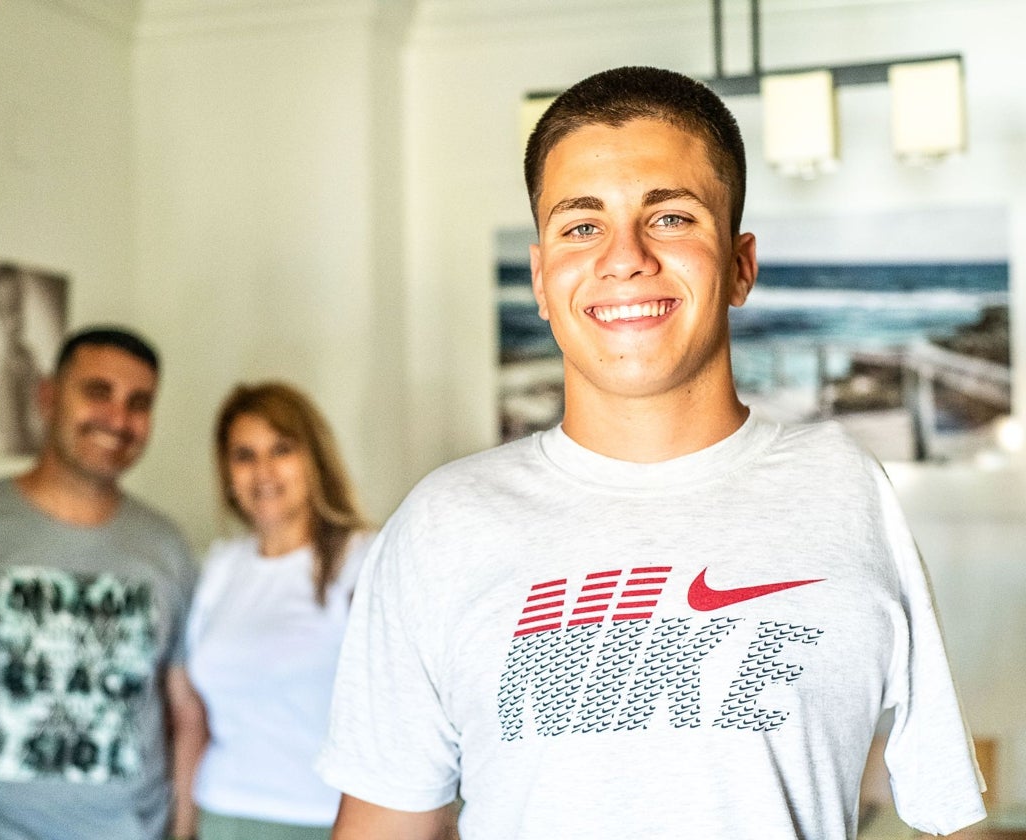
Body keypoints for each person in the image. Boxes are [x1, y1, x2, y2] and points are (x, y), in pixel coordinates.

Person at [317, 66, 987, 839]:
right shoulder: (442, 523)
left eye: (670, 218)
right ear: (541, 279)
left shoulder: (844, 490)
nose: (625, 256)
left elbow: (947, 813)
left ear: (740, 265)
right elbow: (386, 824)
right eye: (581, 225)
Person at [0, 326, 202, 840]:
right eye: (97, 391)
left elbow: (184, 710)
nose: (118, 418)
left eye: (139, 402)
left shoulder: (168, 546)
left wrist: (184, 829)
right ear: (47, 396)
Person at [184, 382, 373, 840]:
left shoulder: (363, 561)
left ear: (314, 460)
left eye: (281, 449)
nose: (262, 471)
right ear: (227, 474)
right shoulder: (220, 568)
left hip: (324, 819)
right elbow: (195, 716)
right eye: (244, 455)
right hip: (222, 814)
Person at [0, 263, 45, 455]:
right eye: (9, 309)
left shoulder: (32, 360)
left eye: (19, 306)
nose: (16, 318)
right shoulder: (2, 374)